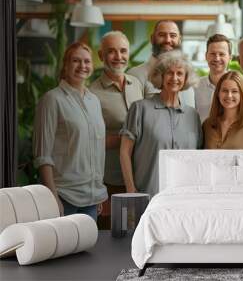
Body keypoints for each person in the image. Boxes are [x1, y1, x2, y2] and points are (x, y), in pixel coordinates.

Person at [33, 42, 107, 221]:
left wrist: (95, 190)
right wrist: (53, 196)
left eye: (87, 61)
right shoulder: (52, 100)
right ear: (66, 65)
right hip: (64, 197)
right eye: (76, 60)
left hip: (91, 197)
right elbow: (43, 155)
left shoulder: (94, 101)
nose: (83, 66)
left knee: (88, 249)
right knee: (64, 249)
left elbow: (97, 149)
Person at [120, 50, 202, 197]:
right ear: (161, 76)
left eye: (180, 73)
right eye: (169, 73)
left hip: (184, 197)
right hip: (147, 196)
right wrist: (131, 190)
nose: (174, 78)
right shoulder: (140, 108)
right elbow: (125, 152)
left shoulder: (192, 115)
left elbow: (197, 158)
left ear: (186, 78)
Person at [90, 31, 144, 229]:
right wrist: (99, 192)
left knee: (135, 235)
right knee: (112, 238)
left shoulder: (136, 84)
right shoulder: (93, 93)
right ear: (101, 55)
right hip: (110, 181)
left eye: (123, 51)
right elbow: (91, 143)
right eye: (111, 51)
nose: (118, 56)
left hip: (138, 177)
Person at [127, 20, 195, 107]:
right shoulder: (135, 75)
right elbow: (135, 116)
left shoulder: (188, 77)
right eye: (162, 35)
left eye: (173, 36)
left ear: (180, 40)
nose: (167, 40)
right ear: (152, 39)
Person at [203, 71, 243, 149]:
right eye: (225, 90)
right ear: (218, 94)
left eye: (234, 91)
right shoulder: (207, 125)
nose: (229, 95)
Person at [194, 34, 232, 122]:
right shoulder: (195, 87)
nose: (217, 58)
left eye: (221, 54)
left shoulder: (239, 86)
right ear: (206, 56)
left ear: (230, 57)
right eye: (213, 54)